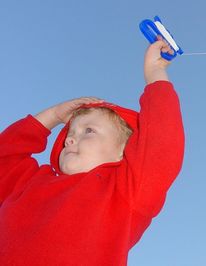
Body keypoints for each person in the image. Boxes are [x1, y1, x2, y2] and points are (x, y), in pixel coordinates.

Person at [0, 37, 185, 265]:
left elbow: (161, 145)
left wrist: (155, 73)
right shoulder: (28, 182)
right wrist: (54, 116)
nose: (70, 140)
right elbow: (5, 156)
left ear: (124, 151)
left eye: (89, 131)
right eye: (70, 134)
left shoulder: (123, 192)